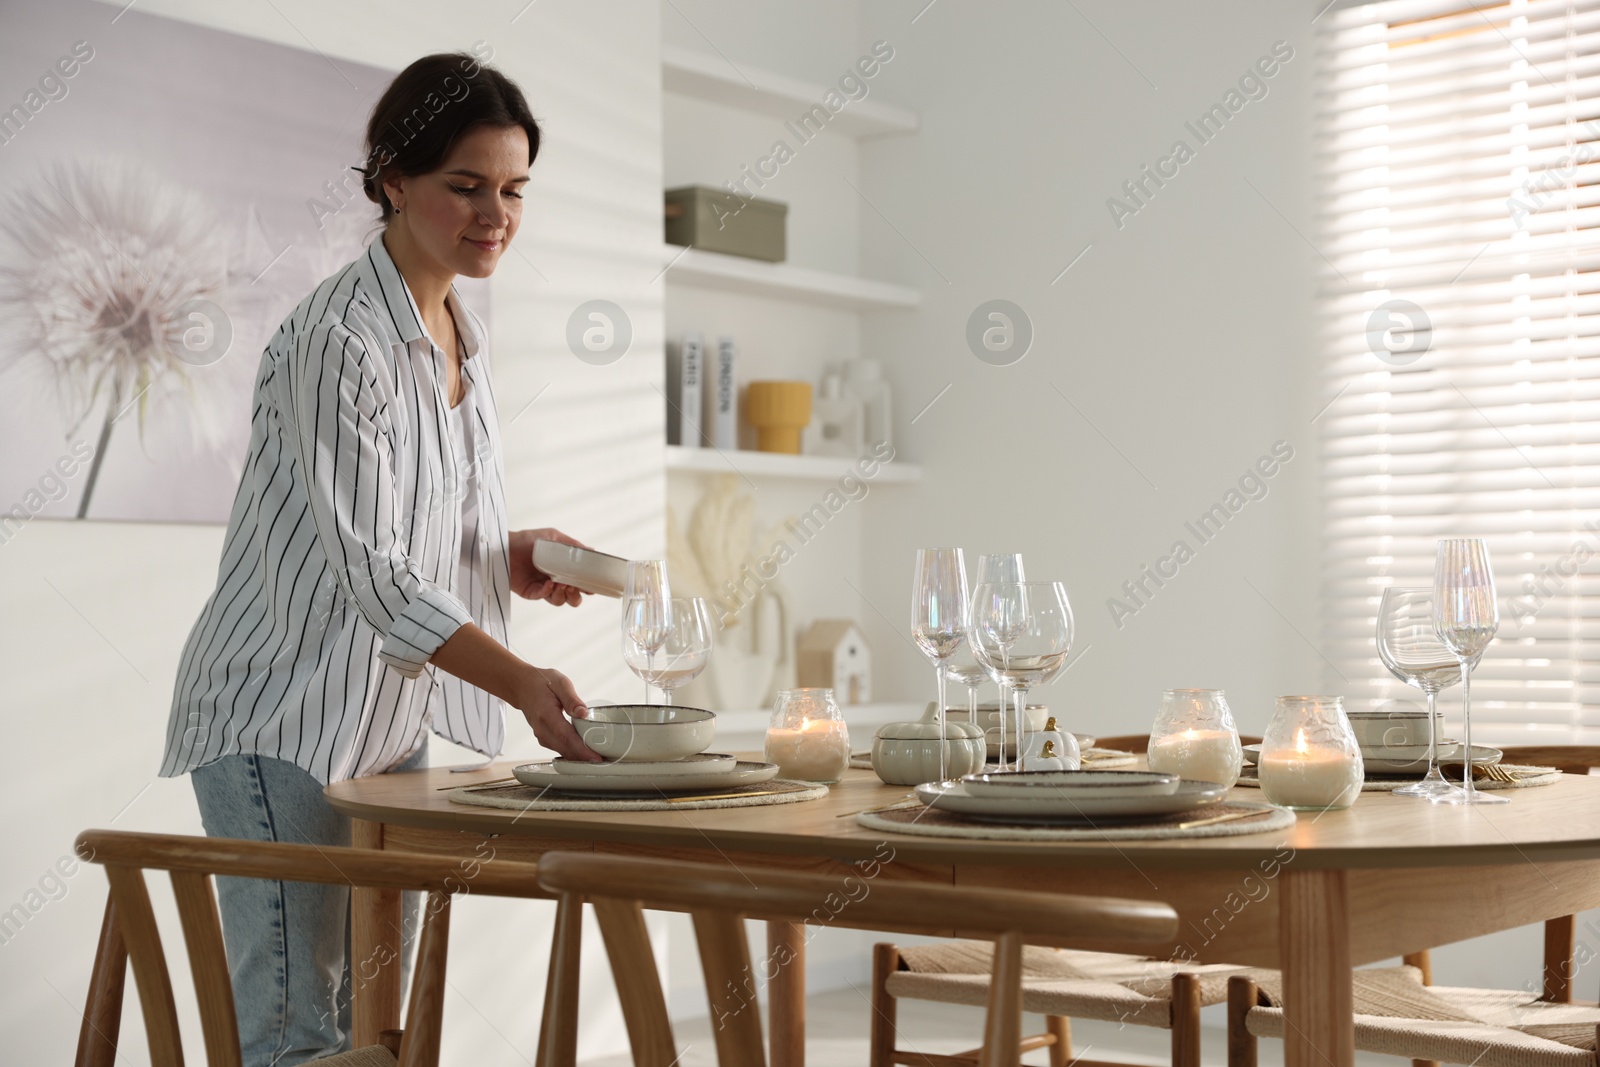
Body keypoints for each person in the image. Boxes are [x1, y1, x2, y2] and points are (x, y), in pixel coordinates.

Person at [158, 52, 600, 1065]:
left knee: (370, 1026)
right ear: (392, 179)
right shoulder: (337, 339)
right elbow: (373, 571)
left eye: (513, 190)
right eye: (466, 186)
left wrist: (516, 552)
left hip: (388, 717)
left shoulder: (460, 334)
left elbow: (422, 529)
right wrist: (522, 679)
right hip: (281, 713)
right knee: (296, 1026)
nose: (496, 213)